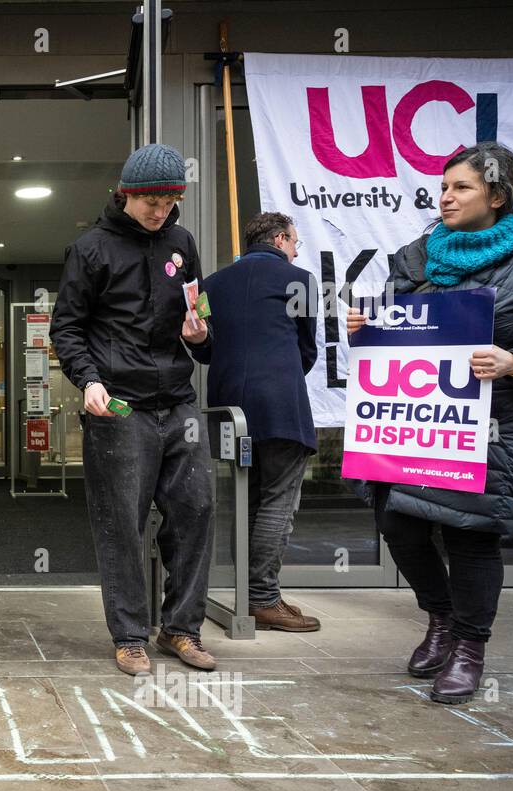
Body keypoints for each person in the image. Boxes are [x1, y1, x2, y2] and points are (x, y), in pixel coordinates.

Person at [346, 141, 513, 705]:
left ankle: (469, 648)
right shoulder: (414, 256)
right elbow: (396, 330)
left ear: (498, 196)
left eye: (462, 187)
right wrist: (367, 329)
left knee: (470, 535)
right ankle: (441, 618)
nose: (446, 196)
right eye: (444, 185)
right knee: (397, 523)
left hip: (492, 428)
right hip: (413, 425)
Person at [52, 143, 217, 677]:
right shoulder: (91, 249)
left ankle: (181, 629)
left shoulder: (183, 243)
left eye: (169, 200)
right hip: (118, 406)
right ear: (125, 192)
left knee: (196, 511)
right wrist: (89, 380)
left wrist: (201, 333)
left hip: (178, 399)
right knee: (121, 522)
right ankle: (129, 635)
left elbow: (200, 313)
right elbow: (68, 328)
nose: (158, 210)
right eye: (148, 199)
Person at [190, 212, 321, 631]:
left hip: (228, 407)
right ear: (280, 238)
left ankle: (254, 595)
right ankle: (263, 598)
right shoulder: (299, 279)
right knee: (279, 498)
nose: (297, 250)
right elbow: (306, 350)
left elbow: (205, 351)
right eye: (295, 242)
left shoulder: (211, 284)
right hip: (280, 404)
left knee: (245, 499)